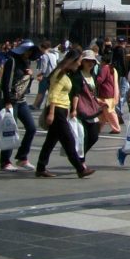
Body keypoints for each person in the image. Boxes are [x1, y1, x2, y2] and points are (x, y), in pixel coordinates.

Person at [35, 47, 95, 178]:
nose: (80, 64)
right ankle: (80, 169)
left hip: (62, 110)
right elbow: (53, 95)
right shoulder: (60, 74)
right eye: (78, 61)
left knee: (50, 141)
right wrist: (51, 113)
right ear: (72, 61)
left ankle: (40, 167)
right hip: (57, 110)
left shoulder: (65, 73)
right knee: (69, 141)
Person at [0, 40, 41, 172]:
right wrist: (7, 102)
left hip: (21, 101)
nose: (28, 53)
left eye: (30, 51)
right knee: (10, 130)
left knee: (31, 128)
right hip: (11, 101)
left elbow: (25, 85)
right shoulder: (12, 62)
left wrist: (30, 76)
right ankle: (5, 162)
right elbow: (5, 83)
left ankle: (22, 157)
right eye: (27, 51)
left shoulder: (26, 63)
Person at [70, 49, 104, 161]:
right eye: (87, 61)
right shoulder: (77, 75)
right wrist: (74, 109)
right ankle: (81, 161)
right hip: (81, 110)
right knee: (83, 137)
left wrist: (98, 101)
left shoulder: (92, 75)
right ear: (82, 62)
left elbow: (92, 93)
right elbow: (75, 93)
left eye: (92, 61)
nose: (90, 63)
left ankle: (79, 157)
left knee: (94, 137)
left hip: (91, 110)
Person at [32, 40, 58, 109]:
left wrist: (39, 74)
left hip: (46, 76)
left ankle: (36, 105)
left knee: (41, 92)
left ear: (42, 48)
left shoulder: (44, 56)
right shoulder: (53, 55)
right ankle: (50, 106)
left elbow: (44, 68)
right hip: (52, 76)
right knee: (51, 92)